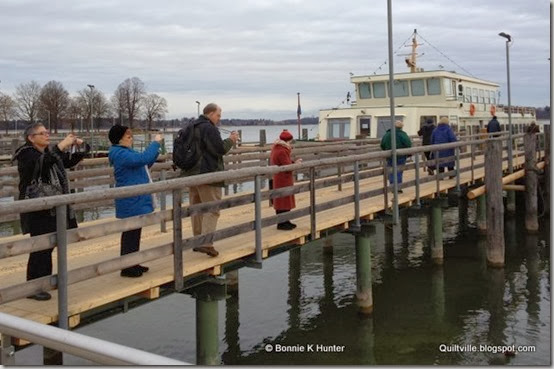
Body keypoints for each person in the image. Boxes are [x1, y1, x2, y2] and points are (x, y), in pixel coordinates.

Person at [13, 123, 89, 300]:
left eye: (47, 133)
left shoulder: (48, 154)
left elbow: (69, 161)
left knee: (49, 246)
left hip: (52, 208)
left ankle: (44, 282)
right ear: (31, 138)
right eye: (43, 133)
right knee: (40, 247)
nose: (47, 136)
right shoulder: (26, 154)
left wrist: (81, 145)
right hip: (37, 208)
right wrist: (61, 146)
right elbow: (42, 164)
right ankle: (33, 287)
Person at [181, 103, 239, 257]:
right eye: (218, 115)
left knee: (196, 208)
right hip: (207, 174)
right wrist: (231, 140)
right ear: (211, 113)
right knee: (212, 209)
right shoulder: (209, 128)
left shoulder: (191, 126)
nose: (219, 119)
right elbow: (219, 149)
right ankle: (206, 243)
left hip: (191, 174)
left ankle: (197, 241)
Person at [108, 125, 163, 277]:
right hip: (130, 199)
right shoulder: (119, 153)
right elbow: (142, 159)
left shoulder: (126, 152)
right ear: (119, 139)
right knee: (130, 233)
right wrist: (155, 143)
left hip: (136, 198)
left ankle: (133, 262)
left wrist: (154, 152)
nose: (131, 139)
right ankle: (126, 267)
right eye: (128, 137)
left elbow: (144, 163)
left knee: (135, 232)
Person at [270, 130, 302, 230]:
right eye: (290, 141)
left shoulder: (278, 148)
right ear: (287, 140)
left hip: (280, 177)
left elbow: (285, 162)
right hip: (283, 178)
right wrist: (295, 165)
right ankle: (281, 223)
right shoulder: (282, 150)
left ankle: (286, 221)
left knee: (283, 201)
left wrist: (293, 162)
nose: (290, 143)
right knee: (283, 201)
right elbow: (286, 166)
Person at [380, 120, 412, 193]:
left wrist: (386, 151)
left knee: (391, 171)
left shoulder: (387, 134)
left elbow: (382, 144)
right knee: (399, 170)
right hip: (401, 156)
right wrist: (408, 153)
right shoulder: (403, 134)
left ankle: (392, 186)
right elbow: (408, 144)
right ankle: (398, 187)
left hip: (389, 155)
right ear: (401, 127)